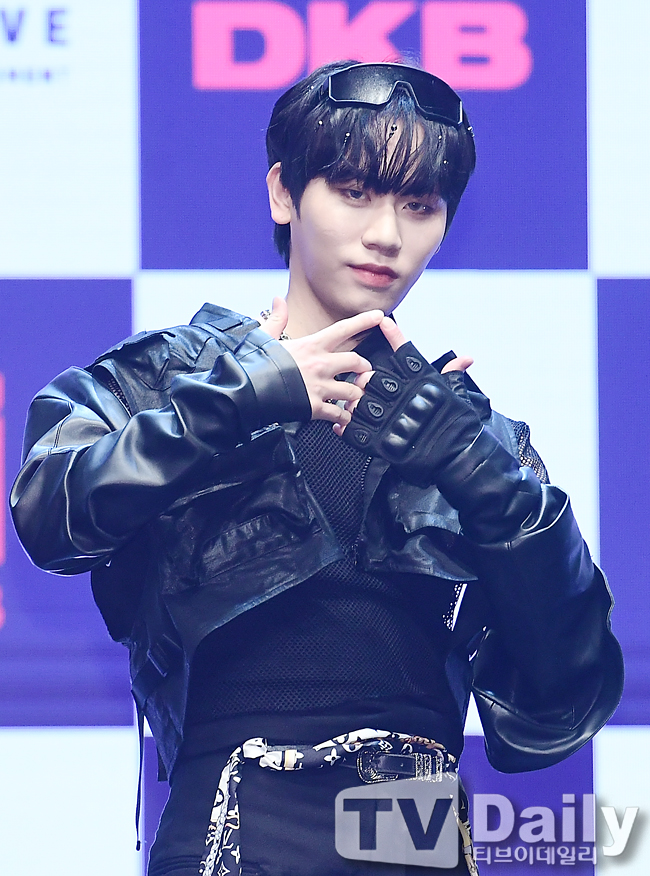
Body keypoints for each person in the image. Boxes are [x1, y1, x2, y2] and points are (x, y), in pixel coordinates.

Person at [11, 61, 623, 876]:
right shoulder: (166, 380)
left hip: (410, 835)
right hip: (226, 830)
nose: (386, 234)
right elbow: (48, 517)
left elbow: (557, 716)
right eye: (355, 191)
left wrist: (489, 483)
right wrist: (238, 400)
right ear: (283, 193)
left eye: (420, 204)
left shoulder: (478, 438)